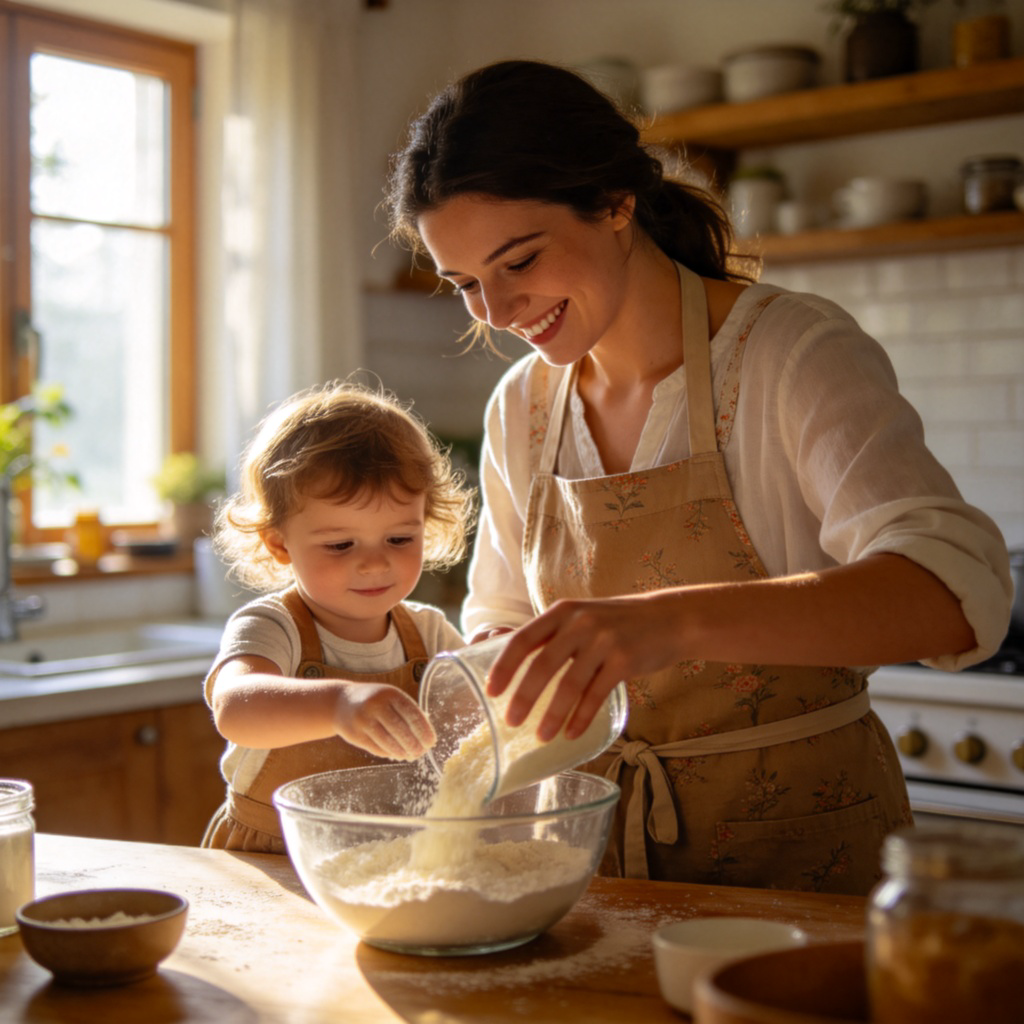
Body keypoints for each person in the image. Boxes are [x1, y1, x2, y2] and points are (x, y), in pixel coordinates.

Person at [385, 59, 1013, 893]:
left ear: (615, 202)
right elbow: (503, 615)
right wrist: (504, 662)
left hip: (801, 855)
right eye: (465, 285)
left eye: (519, 262)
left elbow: (953, 596)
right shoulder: (524, 407)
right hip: (594, 859)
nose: (497, 314)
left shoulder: (790, 354)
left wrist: (667, 624)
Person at [201, 379, 474, 853]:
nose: (374, 563)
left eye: (399, 539)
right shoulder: (271, 625)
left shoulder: (431, 633)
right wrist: (338, 705)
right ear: (280, 544)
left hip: (390, 852)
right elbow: (236, 707)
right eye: (341, 545)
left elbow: (478, 714)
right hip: (274, 854)